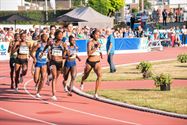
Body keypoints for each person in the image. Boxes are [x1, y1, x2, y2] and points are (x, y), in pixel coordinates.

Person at [80, 29, 103, 98]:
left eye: (99, 35)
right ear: (93, 35)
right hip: (90, 62)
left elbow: (99, 50)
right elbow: (89, 53)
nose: (97, 36)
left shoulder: (99, 42)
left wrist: (100, 53)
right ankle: (82, 81)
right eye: (96, 34)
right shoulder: (90, 43)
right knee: (86, 76)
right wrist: (96, 47)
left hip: (97, 62)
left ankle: (96, 93)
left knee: (100, 75)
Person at [48, 30, 66, 101]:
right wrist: (48, 56)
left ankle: (51, 81)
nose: (61, 36)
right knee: (54, 76)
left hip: (60, 62)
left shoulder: (63, 44)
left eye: (62, 35)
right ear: (56, 35)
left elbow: (66, 51)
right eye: (59, 35)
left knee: (56, 77)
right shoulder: (52, 43)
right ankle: (53, 94)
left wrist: (65, 54)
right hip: (53, 62)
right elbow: (48, 48)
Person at [31, 34, 48, 98]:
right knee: (36, 79)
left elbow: (48, 53)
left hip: (44, 63)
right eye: (44, 37)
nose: (45, 38)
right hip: (38, 62)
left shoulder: (48, 45)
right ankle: (37, 83)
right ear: (41, 38)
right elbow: (31, 52)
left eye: (46, 37)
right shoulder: (39, 45)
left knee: (43, 78)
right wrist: (34, 58)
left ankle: (38, 92)